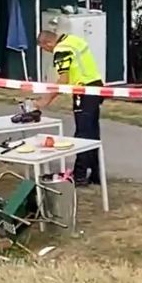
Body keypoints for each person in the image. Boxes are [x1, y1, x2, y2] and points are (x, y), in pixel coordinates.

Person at [34, 30, 103, 187]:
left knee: (82, 134)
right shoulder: (74, 40)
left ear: (48, 43)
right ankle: (96, 174)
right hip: (96, 86)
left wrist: (45, 100)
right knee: (92, 133)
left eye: (45, 49)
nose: (48, 52)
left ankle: (79, 175)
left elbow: (63, 79)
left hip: (83, 90)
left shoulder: (61, 50)